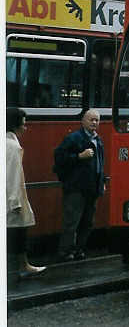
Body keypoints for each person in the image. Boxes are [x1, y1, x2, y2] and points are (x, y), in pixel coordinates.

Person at [54, 108, 105, 262]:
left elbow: (100, 165)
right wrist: (79, 156)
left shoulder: (98, 140)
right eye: (91, 119)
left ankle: (79, 250)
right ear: (83, 121)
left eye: (97, 120)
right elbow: (59, 158)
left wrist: (101, 182)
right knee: (72, 221)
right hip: (76, 188)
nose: (94, 122)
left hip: (92, 187)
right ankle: (66, 252)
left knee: (88, 222)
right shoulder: (73, 138)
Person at [6, 108, 46, 278]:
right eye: (23, 124)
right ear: (15, 126)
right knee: (19, 233)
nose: (25, 128)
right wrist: (16, 202)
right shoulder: (13, 146)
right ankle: (24, 266)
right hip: (11, 198)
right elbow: (13, 175)